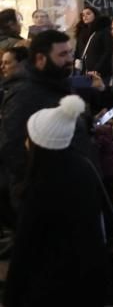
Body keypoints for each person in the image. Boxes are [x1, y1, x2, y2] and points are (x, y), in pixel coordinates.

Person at [4, 95, 111, 307]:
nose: (25, 140)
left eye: (29, 135)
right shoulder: (83, 167)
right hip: (88, 279)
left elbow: (25, 248)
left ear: (40, 144)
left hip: (53, 286)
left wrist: (11, 296)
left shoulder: (40, 188)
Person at [0, 30, 96, 219]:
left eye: (70, 52)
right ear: (41, 59)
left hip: (72, 188)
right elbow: (14, 149)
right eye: (62, 54)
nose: (70, 59)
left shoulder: (57, 85)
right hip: (48, 199)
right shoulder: (24, 95)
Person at [73, 7, 113, 78]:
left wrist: (97, 69)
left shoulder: (103, 31)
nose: (85, 16)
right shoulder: (82, 32)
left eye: (88, 14)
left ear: (95, 15)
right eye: (83, 15)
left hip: (99, 73)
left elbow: (108, 51)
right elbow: (78, 51)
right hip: (83, 72)